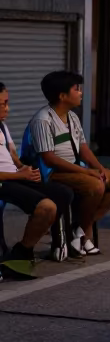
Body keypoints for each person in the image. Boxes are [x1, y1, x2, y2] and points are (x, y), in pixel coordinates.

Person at [30, 70, 110, 255]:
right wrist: (87, 173)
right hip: (54, 173)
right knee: (96, 186)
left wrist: (99, 168)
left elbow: (83, 148)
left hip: (77, 169)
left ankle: (80, 227)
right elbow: (49, 159)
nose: (81, 93)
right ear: (62, 96)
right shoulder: (43, 120)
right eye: (76, 89)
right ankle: (83, 233)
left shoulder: (73, 117)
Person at [0, 82, 74, 273]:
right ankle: (20, 254)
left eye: (7, 103)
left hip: (15, 177)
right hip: (4, 180)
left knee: (63, 193)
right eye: (3, 104)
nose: (7, 108)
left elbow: (12, 155)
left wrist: (24, 169)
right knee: (46, 206)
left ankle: (23, 250)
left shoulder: (2, 126)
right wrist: (17, 175)